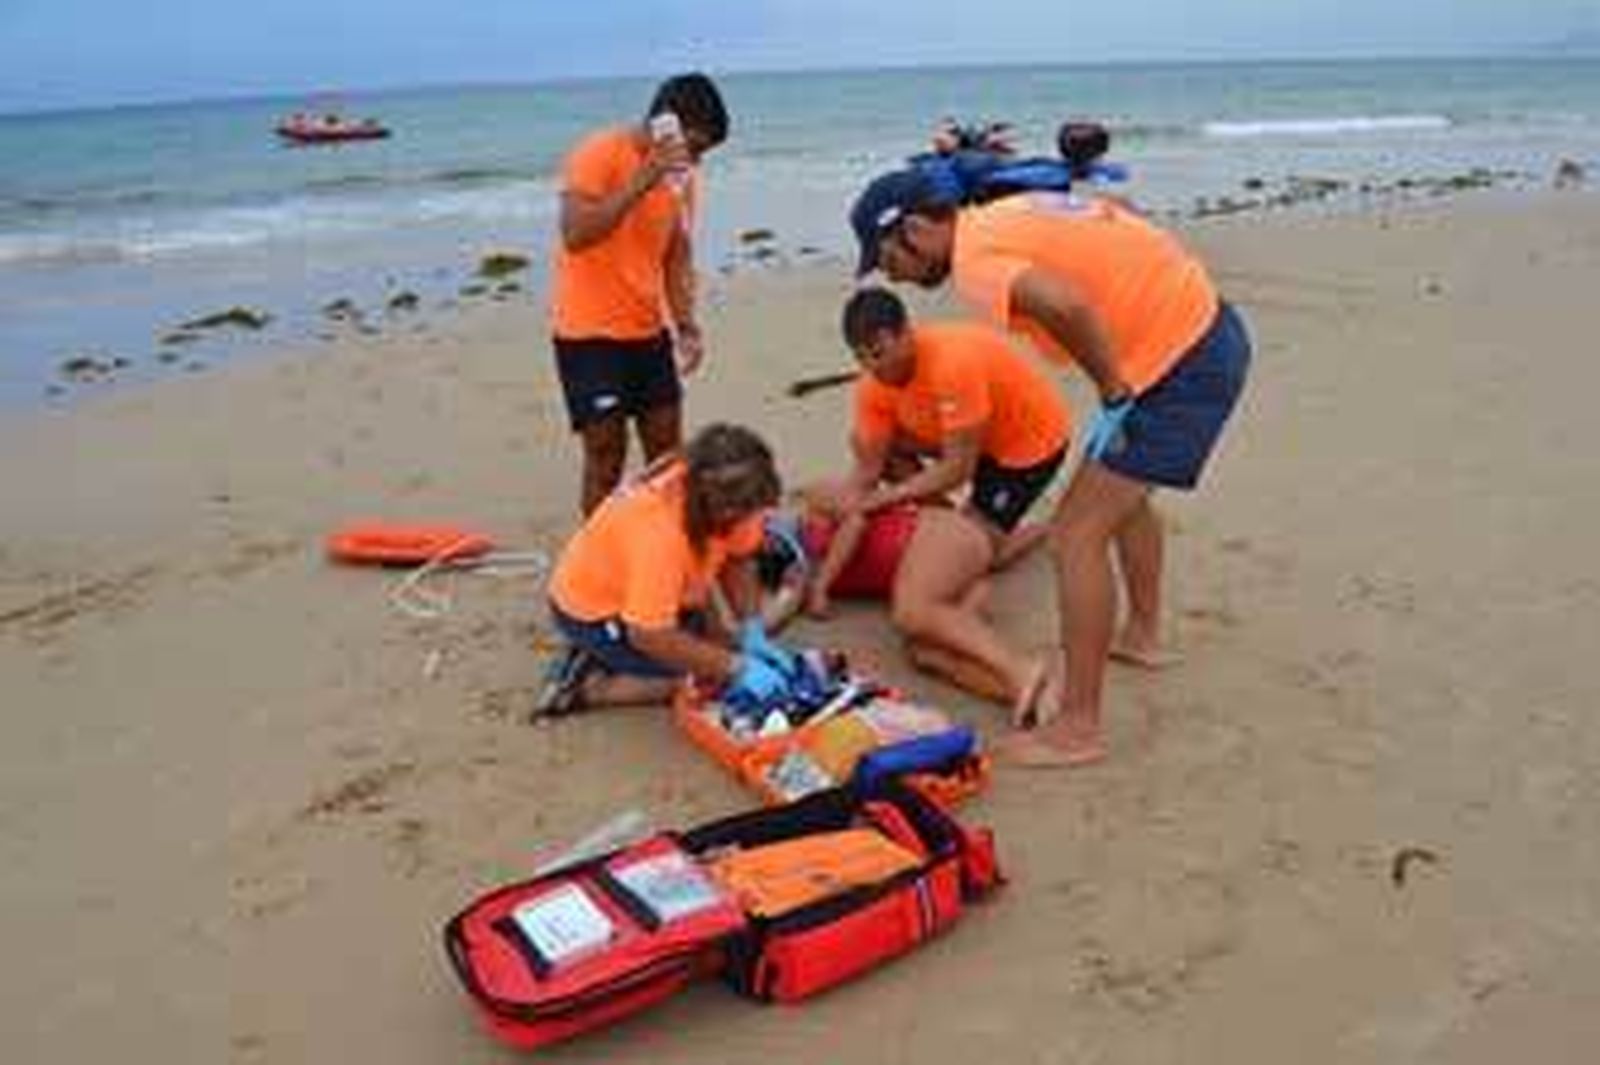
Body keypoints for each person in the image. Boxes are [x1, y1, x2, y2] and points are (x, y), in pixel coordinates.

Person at [849, 165, 1251, 767]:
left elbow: (1067, 303)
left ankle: (1077, 729)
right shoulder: (1001, 213)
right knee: (1125, 501)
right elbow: (1113, 212)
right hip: (1203, 325)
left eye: (888, 260)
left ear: (913, 229)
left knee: (1075, 535)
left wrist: (1113, 387)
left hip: (1179, 362)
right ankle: (1142, 635)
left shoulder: (975, 260)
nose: (893, 277)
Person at [829, 286, 1071, 721]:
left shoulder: (951, 361)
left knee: (983, 554)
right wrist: (846, 510)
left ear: (906, 332)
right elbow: (865, 472)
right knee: (870, 443)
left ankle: (1040, 532)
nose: (874, 367)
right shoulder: (873, 386)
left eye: (880, 353)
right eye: (862, 358)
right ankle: (974, 544)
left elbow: (958, 469)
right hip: (959, 431)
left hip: (1025, 445)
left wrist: (889, 497)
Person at [550, 72, 729, 515]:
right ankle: (595, 551)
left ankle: (664, 542)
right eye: (695, 147)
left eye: (704, 153)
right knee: (606, 457)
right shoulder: (599, 152)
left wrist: (686, 325)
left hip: (647, 332)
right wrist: (642, 179)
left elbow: (676, 256)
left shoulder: (682, 180)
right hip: (587, 334)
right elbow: (575, 234)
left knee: (668, 460)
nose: (697, 161)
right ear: (665, 124)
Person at [534, 423, 797, 717]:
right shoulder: (658, 533)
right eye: (741, 515)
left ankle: (689, 634)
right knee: (700, 680)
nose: (750, 521)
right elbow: (648, 635)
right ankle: (584, 684)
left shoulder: (732, 496)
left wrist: (751, 627)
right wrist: (735, 668)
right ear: (711, 507)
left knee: (717, 651)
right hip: (593, 609)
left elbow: (740, 557)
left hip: (667, 579)